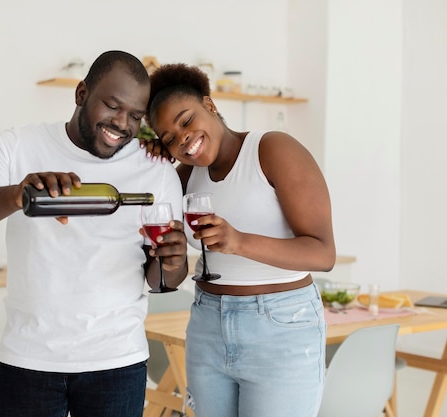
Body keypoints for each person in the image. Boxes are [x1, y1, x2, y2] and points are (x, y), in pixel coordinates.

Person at [0, 50, 188, 417]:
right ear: (81, 93)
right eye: (112, 106)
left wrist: (173, 261)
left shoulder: (155, 171)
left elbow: (161, 281)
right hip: (28, 361)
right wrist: (18, 194)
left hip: (117, 362)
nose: (122, 124)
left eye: (135, 115)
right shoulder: (19, 145)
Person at [144, 63, 336, 417]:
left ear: (210, 104)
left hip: (280, 327)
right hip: (207, 325)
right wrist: (152, 162)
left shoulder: (272, 149)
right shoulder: (185, 174)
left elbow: (323, 253)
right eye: (169, 137)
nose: (182, 138)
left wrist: (239, 241)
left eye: (186, 120)